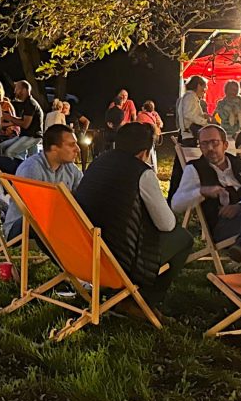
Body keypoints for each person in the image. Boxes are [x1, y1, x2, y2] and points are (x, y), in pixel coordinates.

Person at [73, 122, 194, 305]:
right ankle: (142, 301)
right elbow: (166, 224)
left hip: (83, 251)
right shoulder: (141, 172)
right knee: (183, 239)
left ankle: (120, 296)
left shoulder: (98, 162)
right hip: (117, 259)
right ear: (145, 152)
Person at [170, 122, 241, 269]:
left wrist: (240, 206)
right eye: (204, 144)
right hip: (223, 227)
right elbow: (176, 205)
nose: (210, 148)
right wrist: (202, 191)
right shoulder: (195, 169)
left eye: (214, 143)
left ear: (225, 145)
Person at [4, 124, 84, 239]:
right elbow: (35, 210)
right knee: (49, 220)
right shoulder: (32, 168)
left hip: (53, 225)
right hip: (22, 226)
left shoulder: (70, 168)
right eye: (71, 145)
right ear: (54, 148)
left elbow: (84, 196)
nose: (78, 149)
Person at [170, 75, 212, 199]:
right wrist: (205, 122)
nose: (204, 90)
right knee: (188, 169)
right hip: (189, 137)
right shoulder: (190, 97)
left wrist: (202, 116)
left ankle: (176, 196)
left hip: (187, 136)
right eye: (204, 87)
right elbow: (189, 115)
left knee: (181, 169)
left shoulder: (188, 97)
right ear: (198, 85)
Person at [1, 80, 45, 160]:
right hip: (28, 135)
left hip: (32, 136)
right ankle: (25, 165)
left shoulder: (30, 104)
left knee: (9, 152)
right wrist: (12, 120)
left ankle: (21, 165)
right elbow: (24, 120)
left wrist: (10, 118)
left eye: (16, 89)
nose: (14, 92)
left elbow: (25, 124)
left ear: (24, 90)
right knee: (1, 147)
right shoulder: (28, 103)